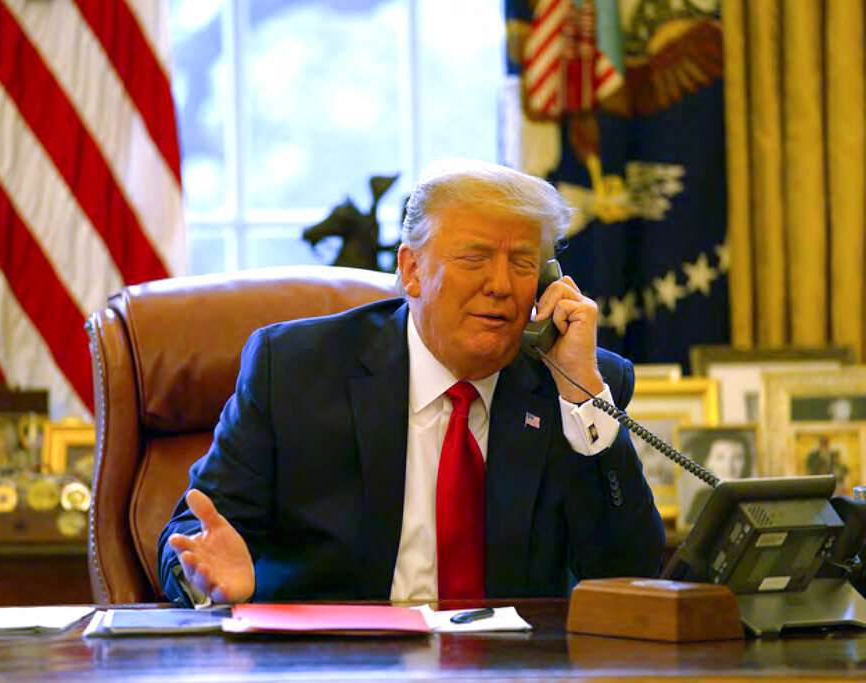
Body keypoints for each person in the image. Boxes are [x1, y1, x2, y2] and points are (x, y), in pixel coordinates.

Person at [158, 159, 665, 606]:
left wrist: (582, 399)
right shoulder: (294, 369)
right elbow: (197, 532)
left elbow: (630, 572)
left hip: (513, 669)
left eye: (523, 263)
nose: (501, 285)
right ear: (412, 269)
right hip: (341, 667)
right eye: (475, 258)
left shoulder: (573, 383)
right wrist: (206, 583)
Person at [682, 430, 754, 526]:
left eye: (737, 457)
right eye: (720, 457)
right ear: (707, 462)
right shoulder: (702, 498)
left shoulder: (753, 496)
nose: (728, 466)